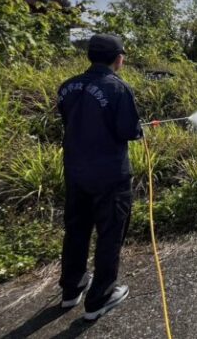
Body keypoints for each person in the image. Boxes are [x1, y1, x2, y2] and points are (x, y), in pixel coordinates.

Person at [57, 34, 142, 320]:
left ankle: (71, 289)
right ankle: (101, 298)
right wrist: (140, 130)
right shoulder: (118, 89)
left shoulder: (67, 86)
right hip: (110, 177)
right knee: (109, 234)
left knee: (77, 229)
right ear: (118, 58)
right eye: (124, 55)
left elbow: (71, 120)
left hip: (76, 172)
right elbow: (129, 131)